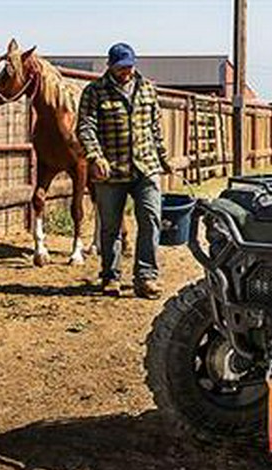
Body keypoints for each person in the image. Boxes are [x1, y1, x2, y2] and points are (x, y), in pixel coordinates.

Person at [77, 42, 172, 298]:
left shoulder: (148, 89)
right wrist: (95, 156)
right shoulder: (94, 92)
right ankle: (111, 276)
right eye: (121, 68)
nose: (126, 72)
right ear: (110, 66)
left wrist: (164, 159)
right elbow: (85, 127)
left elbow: (155, 129)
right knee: (110, 226)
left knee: (151, 220)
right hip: (111, 171)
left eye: (129, 66)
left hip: (146, 167)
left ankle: (146, 276)